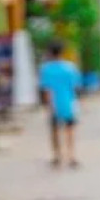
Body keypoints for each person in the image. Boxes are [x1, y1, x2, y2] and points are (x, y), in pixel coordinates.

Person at [37, 39, 82, 168]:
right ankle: (72, 155)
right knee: (70, 130)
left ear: (49, 53)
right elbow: (76, 87)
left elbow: (46, 90)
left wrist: (48, 105)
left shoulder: (46, 69)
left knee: (55, 131)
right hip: (69, 102)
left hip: (54, 104)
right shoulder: (70, 68)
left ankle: (57, 156)